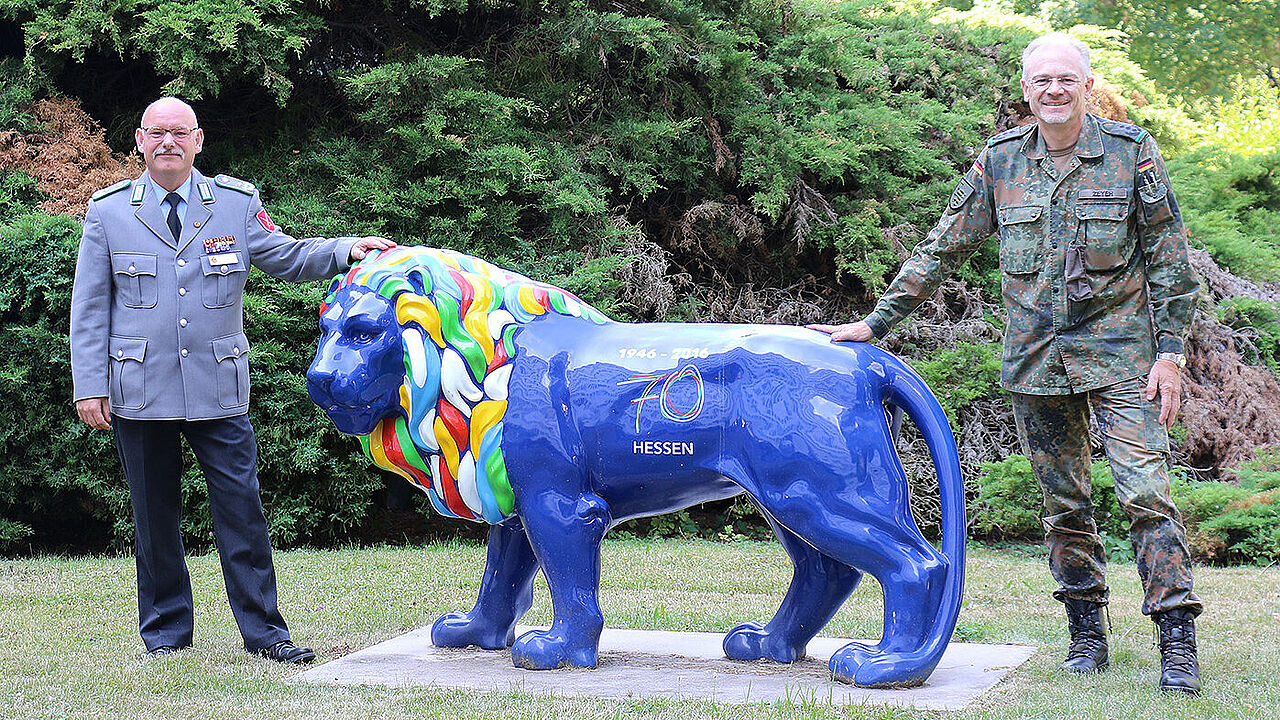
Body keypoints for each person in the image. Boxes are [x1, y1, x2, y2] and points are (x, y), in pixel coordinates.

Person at [809, 34, 1202, 694]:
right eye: (1041, 80)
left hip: (1123, 360)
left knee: (1146, 496)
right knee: (1065, 504)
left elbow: (1168, 258)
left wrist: (1170, 355)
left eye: (1065, 80)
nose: (1053, 90)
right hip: (1038, 364)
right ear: (1026, 89)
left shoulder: (1131, 154)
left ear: (1086, 85)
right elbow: (938, 252)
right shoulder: (1000, 163)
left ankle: (1176, 638)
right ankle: (1085, 633)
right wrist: (874, 324)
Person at [70, 97, 395, 663]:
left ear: (199, 140)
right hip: (140, 388)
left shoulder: (235, 204)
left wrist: (346, 250)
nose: (167, 143)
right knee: (154, 516)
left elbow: (287, 256)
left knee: (242, 512)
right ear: (140, 141)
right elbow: (92, 306)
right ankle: (166, 633)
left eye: (179, 133)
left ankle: (266, 633)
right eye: (156, 133)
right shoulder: (109, 212)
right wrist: (88, 383)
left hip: (218, 388)